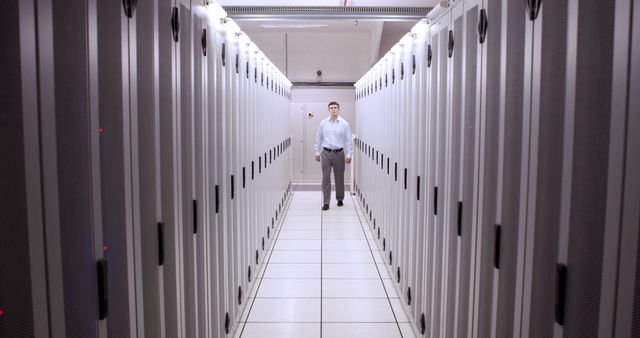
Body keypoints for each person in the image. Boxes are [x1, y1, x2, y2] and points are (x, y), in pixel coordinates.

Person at [314, 101, 353, 210]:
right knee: (325, 178)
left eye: (335, 107)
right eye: (331, 108)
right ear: (328, 110)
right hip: (326, 153)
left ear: (339, 109)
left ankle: (340, 198)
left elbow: (348, 140)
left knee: (339, 177)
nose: (333, 110)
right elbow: (318, 138)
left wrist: (349, 154)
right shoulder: (323, 123)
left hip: (339, 153)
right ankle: (326, 202)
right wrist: (317, 152)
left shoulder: (344, 124)